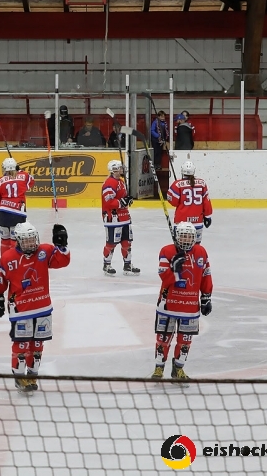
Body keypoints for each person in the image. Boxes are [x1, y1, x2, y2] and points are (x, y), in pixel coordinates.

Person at [0, 222, 70, 393]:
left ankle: (33, 375)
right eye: (26, 240)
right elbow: (0, 278)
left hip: (42, 307)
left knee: (37, 346)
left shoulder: (44, 251)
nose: (31, 243)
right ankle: (20, 377)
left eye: (33, 239)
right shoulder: (8, 258)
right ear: (18, 240)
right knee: (21, 345)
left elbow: (62, 262)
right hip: (20, 309)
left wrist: (61, 246)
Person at [152, 221, 212, 381]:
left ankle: (178, 368)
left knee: (185, 341)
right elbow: (163, 277)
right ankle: (159, 368)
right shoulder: (167, 251)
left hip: (190, 307)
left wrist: (206, 297)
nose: (186, 239)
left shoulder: (201, 252)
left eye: (189, 236)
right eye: (183, 236)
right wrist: (174, 270)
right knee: (163, 338)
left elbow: (206, 275)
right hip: (168, 304)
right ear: (177, 236)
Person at [101, 160, 139, 276]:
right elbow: (108, 202)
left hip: (125, 217)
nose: (122, 170)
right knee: (111, 242)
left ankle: (127, 265)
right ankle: (107, 264)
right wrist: (121, 202)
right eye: (120, 168)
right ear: (114, 170)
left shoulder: (121, 182)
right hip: (113, 218)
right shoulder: (109, 183)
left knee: (127, 242)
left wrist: (127, 200)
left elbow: (122, 198)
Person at [0, 157, 35, 256]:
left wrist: (5, 205)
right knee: (15, 241)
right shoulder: (24, 176)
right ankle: (14, 262)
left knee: (4, 241)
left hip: (3, 214)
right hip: (18, 214)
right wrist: (20, 170)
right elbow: (32, 181)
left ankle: (4, 262)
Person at [167, 161, 212, 244]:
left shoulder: (177, 184)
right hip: (197, 222)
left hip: (181, 223)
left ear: (182, 171)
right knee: (196, 247)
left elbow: (173, 202)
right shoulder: (202, 183)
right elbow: (206, 201)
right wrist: (207, 216)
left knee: (180, 247)